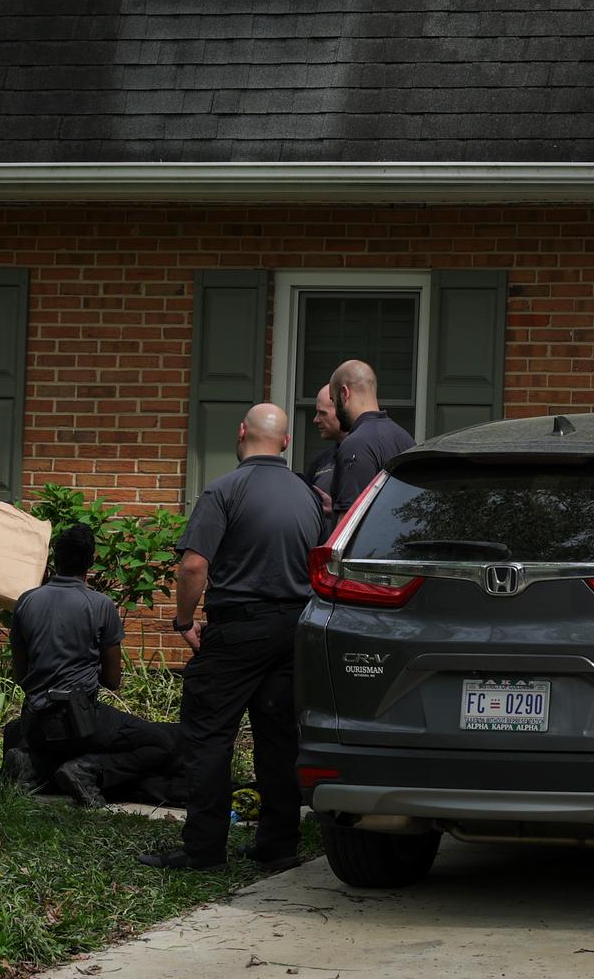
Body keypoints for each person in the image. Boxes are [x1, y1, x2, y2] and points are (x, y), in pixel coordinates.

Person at [138, 402, 320, 872]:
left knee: (208, 737)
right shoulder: (307, 495)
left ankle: (204, 849)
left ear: (242, 433)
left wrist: (183, 621)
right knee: (278, 739)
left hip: (238, 629)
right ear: (285, 442)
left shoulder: (224, 490)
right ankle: (278, 844)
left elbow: (195, 565)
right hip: (293, 630)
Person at [0, 523, 183, 805]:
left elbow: (21, 673)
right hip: (81, 722)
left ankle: (34, 765)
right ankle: (88, 770)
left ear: (54, 558)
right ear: (91, 561)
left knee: (50, 741)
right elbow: (112, 680)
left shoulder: (27, 601)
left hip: (35, 723)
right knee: (161, 743)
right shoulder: (100, 605)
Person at [322, 360, 416, 517]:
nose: (335, 407)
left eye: (333, 400)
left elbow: (349, 522)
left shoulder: (355, 445)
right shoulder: (406, 440)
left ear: (344, 393)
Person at [305, 381, 347, 516]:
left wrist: (334, 510)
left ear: (342, 410)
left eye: (322, 413)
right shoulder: (320, 461)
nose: (316, 420)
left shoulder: (369, 453)